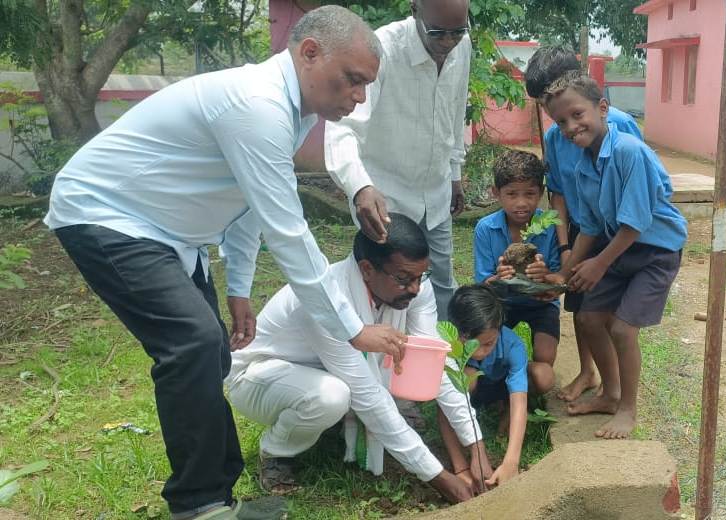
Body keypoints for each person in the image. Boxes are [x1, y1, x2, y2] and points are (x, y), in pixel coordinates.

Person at [43, 7, 405, 519]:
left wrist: (239, 288)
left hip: (169, 232)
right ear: (309, 53)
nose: (359, 97)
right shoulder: (257, 106)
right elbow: (287, 231)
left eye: (366, 85)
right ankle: (200, 506)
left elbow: (246, 203)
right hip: (106, 213)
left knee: (210, 352)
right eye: (353, 80)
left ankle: (217, 496)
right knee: (192, 343)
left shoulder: (291, 111)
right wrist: (352, 329)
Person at [227, 214, 487, 502]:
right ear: (366, 269)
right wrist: (438, 477)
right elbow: (367, 394)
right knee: (332, 397)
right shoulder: (323, 300)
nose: (414, 288)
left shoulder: (415, 287)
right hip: (259, 378)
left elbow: (437, 363)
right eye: (404, 279)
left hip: (323, 369)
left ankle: (336, 426)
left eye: (420, 277)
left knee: (409, 362)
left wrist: (476, 444)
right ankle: (276, 450)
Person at [541, 72, 687, 439]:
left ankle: (627, 410)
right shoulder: (581, 164)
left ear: (602, 108)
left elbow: (636, 222)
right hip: (618, 248)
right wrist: (566, 271)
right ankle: (609, 393)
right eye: (561, 122)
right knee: (590, 318)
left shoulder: (628, 152)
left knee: (622, 328)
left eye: (577, 115)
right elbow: (589, 225)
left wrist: (599, 264)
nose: (571, 127)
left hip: (655, 252)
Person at [325, 0, 472, 320]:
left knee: (443, 285)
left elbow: (456, 110)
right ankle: (384, 360)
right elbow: (342, 129)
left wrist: (454, 172)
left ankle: (445, 362)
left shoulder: (463, 45)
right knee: (387, 290)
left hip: (436, 195)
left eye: (457, 32)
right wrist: (360, 187)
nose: (448, 43)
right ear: (414, 9)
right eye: (438, 33)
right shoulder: (383, 51)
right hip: (385, 202)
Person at [524, 46, 644, 403]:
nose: (560, 119)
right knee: (578, 305)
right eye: (549, 110)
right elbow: (558, 194)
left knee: (605, 310)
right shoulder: (553, 138)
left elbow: (634, 188)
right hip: (582, 229)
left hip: (615, 231)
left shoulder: (617, 125)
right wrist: (564, 247)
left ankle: (616, 385)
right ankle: (588, 372)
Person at [473, 149, 558, 395]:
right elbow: (483, 284)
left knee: (545, 357)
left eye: (530, 194)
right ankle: (503, 381)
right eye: (511, 194)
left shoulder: (550, 226)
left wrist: (545, 274)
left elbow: (559, 281)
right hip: (502, 302)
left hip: (541, 304)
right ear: (496, 193)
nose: (521, 203)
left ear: (541, 193)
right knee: (487, 352)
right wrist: (499, 278)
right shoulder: (486, 229)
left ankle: (520, 382)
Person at [438, 284, 529, 487]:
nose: (480, 352)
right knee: (459, 385)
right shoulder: (448, 345)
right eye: (473, 344)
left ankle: (502, 410)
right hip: (472, 386)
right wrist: (461, 467)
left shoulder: (513, 345)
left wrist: (510, 463)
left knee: (541, 377)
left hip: (498, 387)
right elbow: (445, 403)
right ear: (459, 333)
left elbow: (520, 401)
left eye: (489, 343)